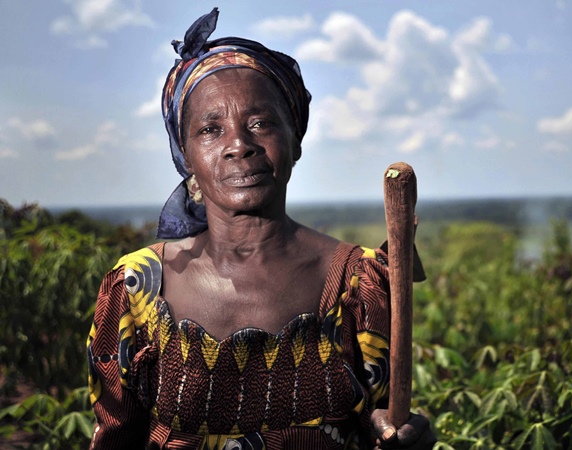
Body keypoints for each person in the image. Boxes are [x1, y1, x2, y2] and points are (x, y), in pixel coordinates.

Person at [86, 8, 436, 450]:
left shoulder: (358, 283)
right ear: (186, 157)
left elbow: (380, 418)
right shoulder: (136, 287)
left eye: (261, 123)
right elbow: (116, 436)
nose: (239, 145)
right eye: (210, 129)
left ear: (295, 139)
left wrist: (398, 434)